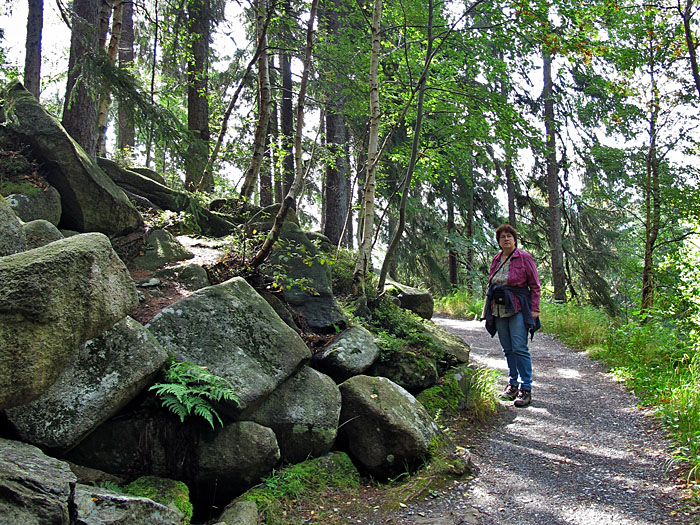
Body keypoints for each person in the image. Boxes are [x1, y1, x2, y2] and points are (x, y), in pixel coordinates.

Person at [482, 224, 541, 408]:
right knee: (507, 348)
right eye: (502, 237)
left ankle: (526, 387)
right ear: (499, 242)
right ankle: (512, 384)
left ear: (514, 239)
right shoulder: (496, 259)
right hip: (498, 308)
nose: (506, 239)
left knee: (519, 347)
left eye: (509, 236)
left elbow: (535, 285)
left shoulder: (524, 258)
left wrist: (534, 309)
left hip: (517, 307)